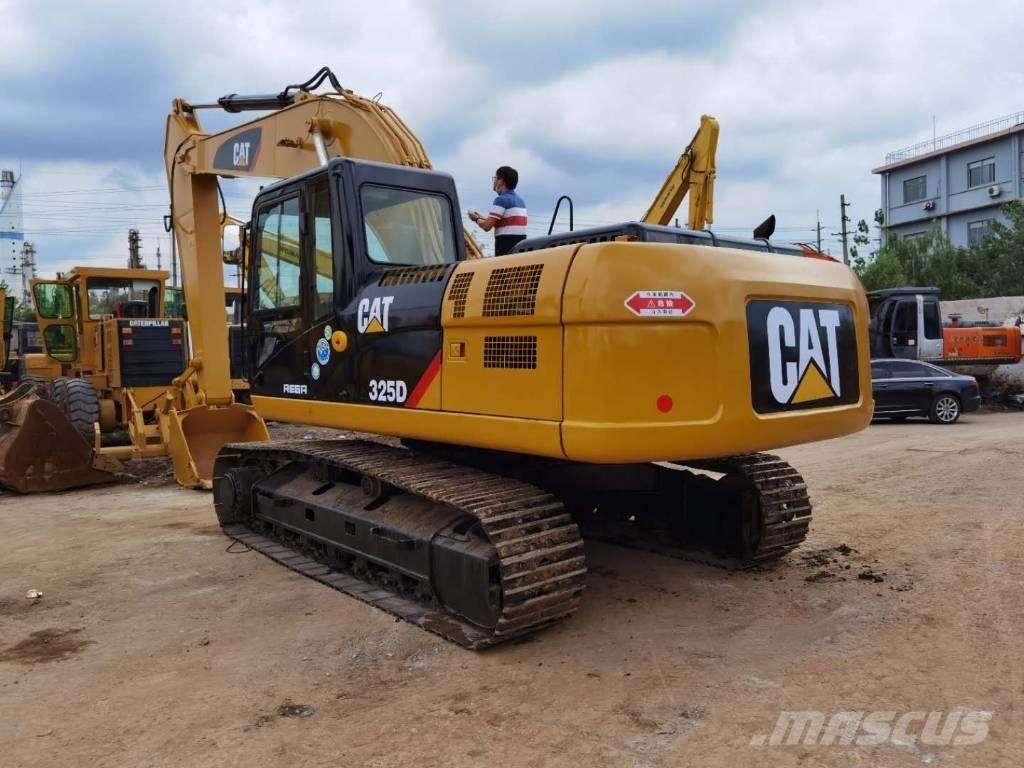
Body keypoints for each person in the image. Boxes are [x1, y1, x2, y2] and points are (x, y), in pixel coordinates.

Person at [468, 166, 527, 256]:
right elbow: (501, 222)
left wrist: (476, 219)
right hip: (519, 251)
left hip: (505, 251)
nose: (494, 181)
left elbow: (487, 226)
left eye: (495, 178)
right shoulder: (520, 201)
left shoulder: (501, 200)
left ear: (501, 181)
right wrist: (481, 217)